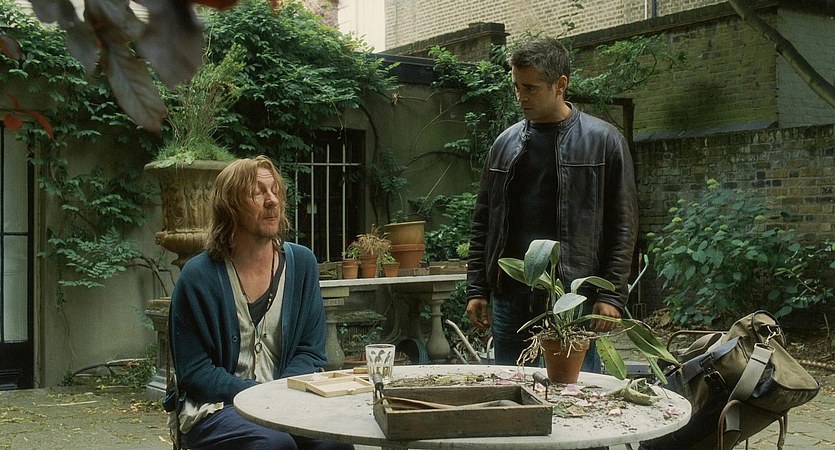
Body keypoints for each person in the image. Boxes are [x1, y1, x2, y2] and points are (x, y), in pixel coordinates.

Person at [465, 36, 638, 373]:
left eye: (530, 88)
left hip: (574, 298)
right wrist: (477, 289)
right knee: (512, 389)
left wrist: (612, 295)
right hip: (511, 297)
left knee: (575, 394)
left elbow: (624, 225)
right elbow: (483, 223)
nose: (521, 96)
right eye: (517, 87)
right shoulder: (504, 144)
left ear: (560, 85)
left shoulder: (604, 141)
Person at [167, 155, 353, 450]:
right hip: (215, 407)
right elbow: (195, 371)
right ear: (231, 207)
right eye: (258, 193)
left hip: (288, 400)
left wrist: (280, 397)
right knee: (274, 444)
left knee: (336, 444)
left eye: (275, 191)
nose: (272, 201)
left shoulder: (302, 264)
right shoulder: (198, 276)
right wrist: (255, 395)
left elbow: (310, 350)